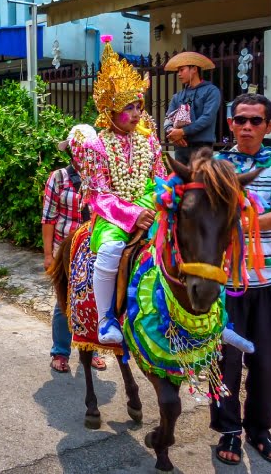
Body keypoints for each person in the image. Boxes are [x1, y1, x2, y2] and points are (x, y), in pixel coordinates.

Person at [211, 93, 271, 467]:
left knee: (265, 363)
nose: (247, 126)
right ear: (230, 123)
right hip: (224, 283)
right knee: (225, 362)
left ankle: (259, 430)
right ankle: (228, 429)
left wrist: (232, 223)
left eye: (256, 121)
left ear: (269, 126)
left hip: (267, 283)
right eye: (240, 119)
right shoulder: (216, 164)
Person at [72, 36, 166, 345]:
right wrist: (133, 214)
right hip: (114, 216)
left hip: (151, 207)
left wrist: (153, 206)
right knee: (111, 251)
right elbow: (100, 193)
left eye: (138, 105)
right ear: (110, 111)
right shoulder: (95, 146)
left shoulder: (150, 141)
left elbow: (161, 178)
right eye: (128, 107)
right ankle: (105, 319)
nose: (137, 113)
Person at [43, 128, 107, 373]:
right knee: (64, 302)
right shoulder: (58, 178)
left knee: (95, 300)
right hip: (64, 251)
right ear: (72, 152)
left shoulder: (100, 178)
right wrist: (49, 255)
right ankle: (60, 352)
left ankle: (93, 351)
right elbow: (48, 219)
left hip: (94, 249)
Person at [162, 52, 221, 165]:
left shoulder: (211, 91)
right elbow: (168, 119)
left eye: (182, 70)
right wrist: (173, 134)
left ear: (194, 69)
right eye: (178, 71)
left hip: (202, 146)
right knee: (181, 181)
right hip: (180, 146)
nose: (179, 74)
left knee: (201, 181)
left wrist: (183, 131)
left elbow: (207, 118)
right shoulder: (177, 96)